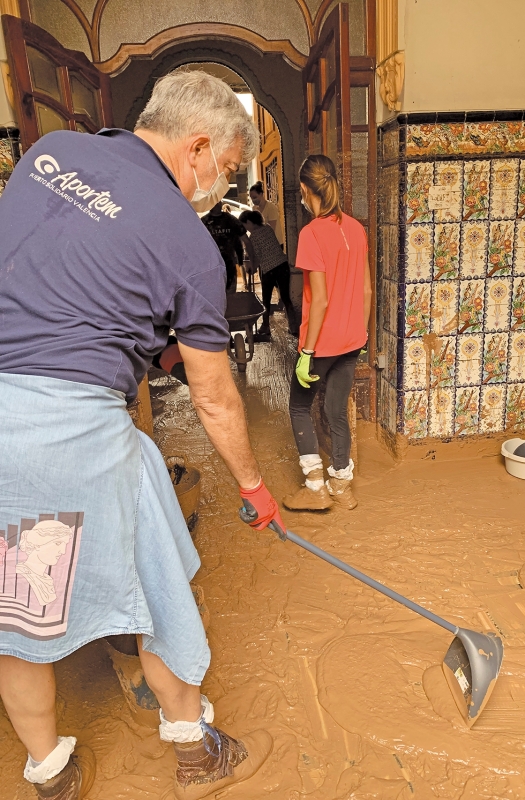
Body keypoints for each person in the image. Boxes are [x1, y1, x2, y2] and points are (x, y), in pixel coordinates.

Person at [0, 68, 283, 800]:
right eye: (222, 172)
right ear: (195, 149)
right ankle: (197, 753)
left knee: (18, 610)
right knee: (164, 596)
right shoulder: (186, 241)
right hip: (78, 434)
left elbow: (63, 276)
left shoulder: (48, 155)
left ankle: (50, 773)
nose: (218, 189)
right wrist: (255, 488)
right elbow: (215, 397)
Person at [283, 155, 371, 513]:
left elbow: (318, 301)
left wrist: (306, 351)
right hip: (352, 340)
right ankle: (342, 487)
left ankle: (316, 486)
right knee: (336, 411)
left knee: (299, 406)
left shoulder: (310, 234)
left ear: (305, 189)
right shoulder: (356, 228)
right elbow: (365, 292)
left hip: (321, 344)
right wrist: (361, 336)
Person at [238, 209, 297, 340]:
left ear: (249, 222)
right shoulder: (268, 228)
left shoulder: (253, 237)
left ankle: (265, 328)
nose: (245, 229)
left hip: (269, 270)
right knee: (286, 297)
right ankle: (294, 327)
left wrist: (252, 268)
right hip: (282, 265)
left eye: (244, 226)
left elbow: (257, 256)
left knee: (266, 300)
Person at [201, 200, 249, 293]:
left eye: (219, 201)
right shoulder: (204, 222)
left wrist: (249, 259)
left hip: (229, 265)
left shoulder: (231, 220)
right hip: (212, 267)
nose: (218, 204)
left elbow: (246, 240)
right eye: (215, 201)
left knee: (230, 295)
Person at [248, 180, 283, 245]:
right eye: (251, 198)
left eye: (255, 197)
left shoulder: (271, 208)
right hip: (263, 244)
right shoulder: (254, 208)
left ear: (261, 194)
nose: (253, 200)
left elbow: (271, 228)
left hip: (274, 243)